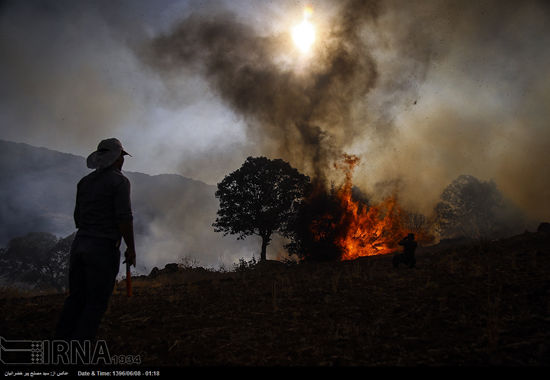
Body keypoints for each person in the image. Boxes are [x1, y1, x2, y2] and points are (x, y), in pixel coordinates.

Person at [55, 138, 136, 341]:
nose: (122, 161)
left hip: (80, 244)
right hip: (103, 248)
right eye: (122, 157)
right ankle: (79, 353)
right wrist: (130, 248)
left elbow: (77, 218)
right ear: (117, 159)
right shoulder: (120, 182)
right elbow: (124, 218)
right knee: (96, 304)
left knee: (76, 299)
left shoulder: (84, 182)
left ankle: (59, 346)